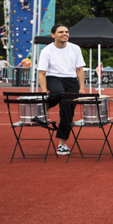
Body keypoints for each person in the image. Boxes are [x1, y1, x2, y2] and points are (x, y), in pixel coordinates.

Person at [36, 24, 85, 156]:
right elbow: (41, 73)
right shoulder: (46, 51)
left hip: (71, 80)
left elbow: (79, 70)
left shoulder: (75, 48)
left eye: (66, 32)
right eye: (61, 32)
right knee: (57, 93)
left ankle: (62, 144)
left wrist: (81, 88)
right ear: (53, 35)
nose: (65, 34)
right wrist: (44, 89)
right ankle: (41, 109)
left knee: (67, 112)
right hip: (54, 78)